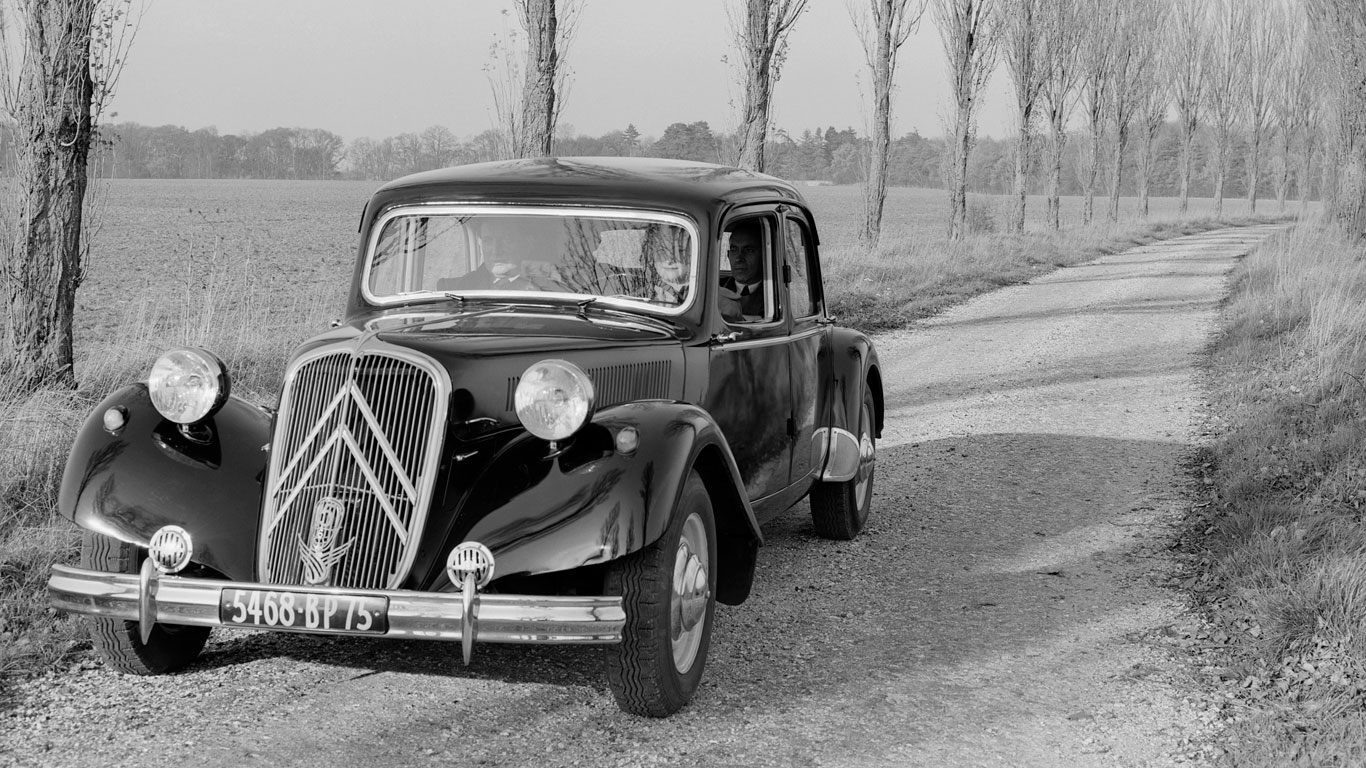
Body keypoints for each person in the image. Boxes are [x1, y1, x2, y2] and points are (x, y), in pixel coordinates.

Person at [719, 220, 765, 320]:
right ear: (728, 255)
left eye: (748, 250)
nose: (739, 258)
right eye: (734, 249)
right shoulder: (715, 288)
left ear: (764, 255)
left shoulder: (774, 294)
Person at [648, 227, 691, 305]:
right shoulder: (641, 296)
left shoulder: (713, 298)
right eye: (661, 251)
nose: (669, 260)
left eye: (679, 251)